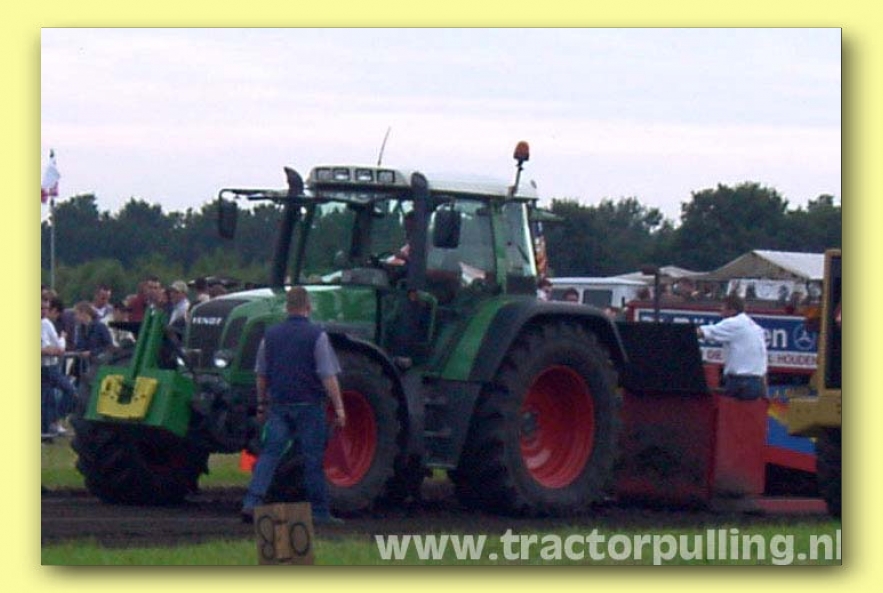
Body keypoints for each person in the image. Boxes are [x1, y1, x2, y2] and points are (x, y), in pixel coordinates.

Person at [241, 287, 346, 525]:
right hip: (310, 405)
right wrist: (339, 408)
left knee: (270, 454)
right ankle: (319, 512)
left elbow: (261, 375)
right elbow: (328, 375)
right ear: (308, 307)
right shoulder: (317, 335)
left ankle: (252, 502)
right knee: (312, 460)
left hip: (279, 405)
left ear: (287, 307)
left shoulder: (270, 336)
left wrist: (261, 404)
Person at [696, 293, 768, 400]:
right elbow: (763, 361)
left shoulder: (734, 323)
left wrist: (680, 333)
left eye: (723, 307)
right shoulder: (756, 327)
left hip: (740, 383)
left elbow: (704, 332)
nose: (720, 309)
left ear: (732, 310)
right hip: (756, 383)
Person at [41, 297, 78, 439]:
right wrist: (58, 344)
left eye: (46, 308)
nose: (44, 311)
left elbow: (58, 348)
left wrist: (57, 345)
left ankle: (52, 423)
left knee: (65, 394)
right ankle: (48, 429)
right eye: (42, 308)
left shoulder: (47, 323)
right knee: (49, 399)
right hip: (45, 367)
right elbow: (47, 349)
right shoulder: (43, 323)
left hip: (51, 366)